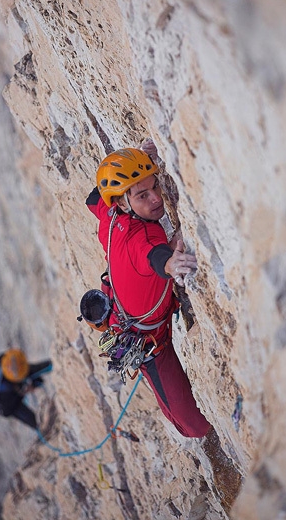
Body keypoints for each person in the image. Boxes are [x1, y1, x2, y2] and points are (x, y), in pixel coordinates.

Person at [85, 140, 210, 438]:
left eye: (154, 187)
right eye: (143, 195)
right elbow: (155, 257)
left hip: (124, 310)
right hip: (148, 342)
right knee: (194, 426)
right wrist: (173, 264)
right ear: (123, 202)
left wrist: (139, 158)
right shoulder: (140, 239)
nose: (156, 199)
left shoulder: (109, 212)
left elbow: (93, 199)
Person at [0, 349, 52, 430]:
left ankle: (51, 365)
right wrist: (26, 389)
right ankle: (39, 427)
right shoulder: (6, 397)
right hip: (8, 404)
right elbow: (12, 405)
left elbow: (4, 357)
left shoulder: (3, 365)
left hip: (11, 379)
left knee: (35, 373)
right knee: (31, 419)